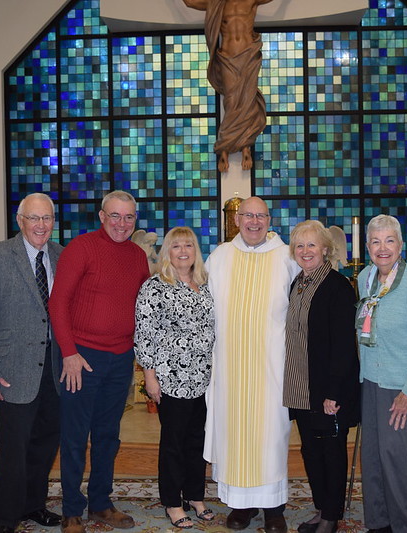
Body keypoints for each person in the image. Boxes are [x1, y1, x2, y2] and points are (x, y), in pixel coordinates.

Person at [50, 190, 151, 533]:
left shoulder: (138, 256)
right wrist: (69, 352)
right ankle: (71, 510)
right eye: (115, 216)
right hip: (82, 358)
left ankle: (101, 503)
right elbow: (58, 303)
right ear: (102, 216)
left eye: (129, 217)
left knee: (108, 435)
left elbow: (140, 306)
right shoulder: (81, 248)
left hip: (121, 357)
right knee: (75, 436)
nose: (122, 224)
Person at [0, 192, 64, 533]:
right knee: (13, 450)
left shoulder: (60, 255)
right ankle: (6, 519)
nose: (41, 225)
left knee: (44, 443)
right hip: (11, 371)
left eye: (47, 218)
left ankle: (33, 505)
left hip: (54, 368)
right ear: (20, 220)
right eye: (34, 218)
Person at [204, 196, 300, 533]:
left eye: (261, 216)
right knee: (234, 437)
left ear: (270, 219)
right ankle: (240, 507)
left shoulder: (287, 258)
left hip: (272, 368)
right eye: (248, 215)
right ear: (237, 219)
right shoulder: (219, 257)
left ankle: (274, 508)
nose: (254, 222)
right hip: (229, 369)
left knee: (270, 437)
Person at [355, 215, 407, 533]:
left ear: (401, 246)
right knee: (373, 455)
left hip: (402, 385)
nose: (382, 248)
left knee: (398, 460)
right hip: (372, 382)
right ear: (367, 247)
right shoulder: (365, 278)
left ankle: (406, 526)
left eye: (389, 240)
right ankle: (379, 523)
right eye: (375, 241)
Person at [134, 226, 216, 530]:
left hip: (204, 379)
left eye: (189, 246)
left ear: (196, 251)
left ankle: (195, 496)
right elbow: (145, 335)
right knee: (174, 443)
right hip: (171, 380)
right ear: (167, 252)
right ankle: (172, 502)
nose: (183, 251)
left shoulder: (204, 284)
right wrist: (150, 377)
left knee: (198, 441)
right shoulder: (154, 287)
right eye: (176, 246)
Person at [283, 220, 361, 533]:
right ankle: (320, 508)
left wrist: (333, 392)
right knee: (310, 451)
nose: (305, 251)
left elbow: (343, 346)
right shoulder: (297, 283)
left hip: (327, 388)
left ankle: (331, 515)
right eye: (299, 246)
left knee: (331, 450)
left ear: (325, 249)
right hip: (301, 384)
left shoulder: (338, 286)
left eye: (311, 245)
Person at [182, 0, 273, 172]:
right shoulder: (216, 3)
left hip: (248, 55)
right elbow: (190, 3)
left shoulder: (250, 1)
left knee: (248, 99)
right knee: (231, 101)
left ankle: (245, 146)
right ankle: (224, 147)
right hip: (228, 56)